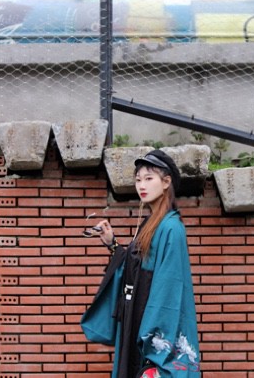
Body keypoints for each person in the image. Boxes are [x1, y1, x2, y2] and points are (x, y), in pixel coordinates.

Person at [83, 149, 201, 377]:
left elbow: (169, 290)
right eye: (138, 180)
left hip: (148, 332)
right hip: (136, 320)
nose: (141, 185)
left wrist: (152, 343)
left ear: (166, 182)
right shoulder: (151, 224)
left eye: (148, 178)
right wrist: (113, 245)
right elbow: (135, 271)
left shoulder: (171, 228)